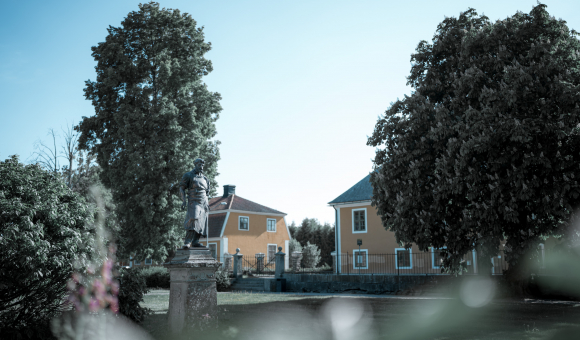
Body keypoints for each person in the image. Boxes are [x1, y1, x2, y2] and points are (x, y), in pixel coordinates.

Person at [179, 158, 210, 248]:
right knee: (193, 218)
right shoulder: (188, 175)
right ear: (195, 165)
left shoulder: (205, 179)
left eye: (202, 165)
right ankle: (187, 242)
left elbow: (207, 193)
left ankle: (196, 241)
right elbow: (182, 188)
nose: (201, 167)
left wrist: (207, 204)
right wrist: (184, 200)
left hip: (203, 202)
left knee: (201, 222)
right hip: (194, 201)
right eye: (199, 165)